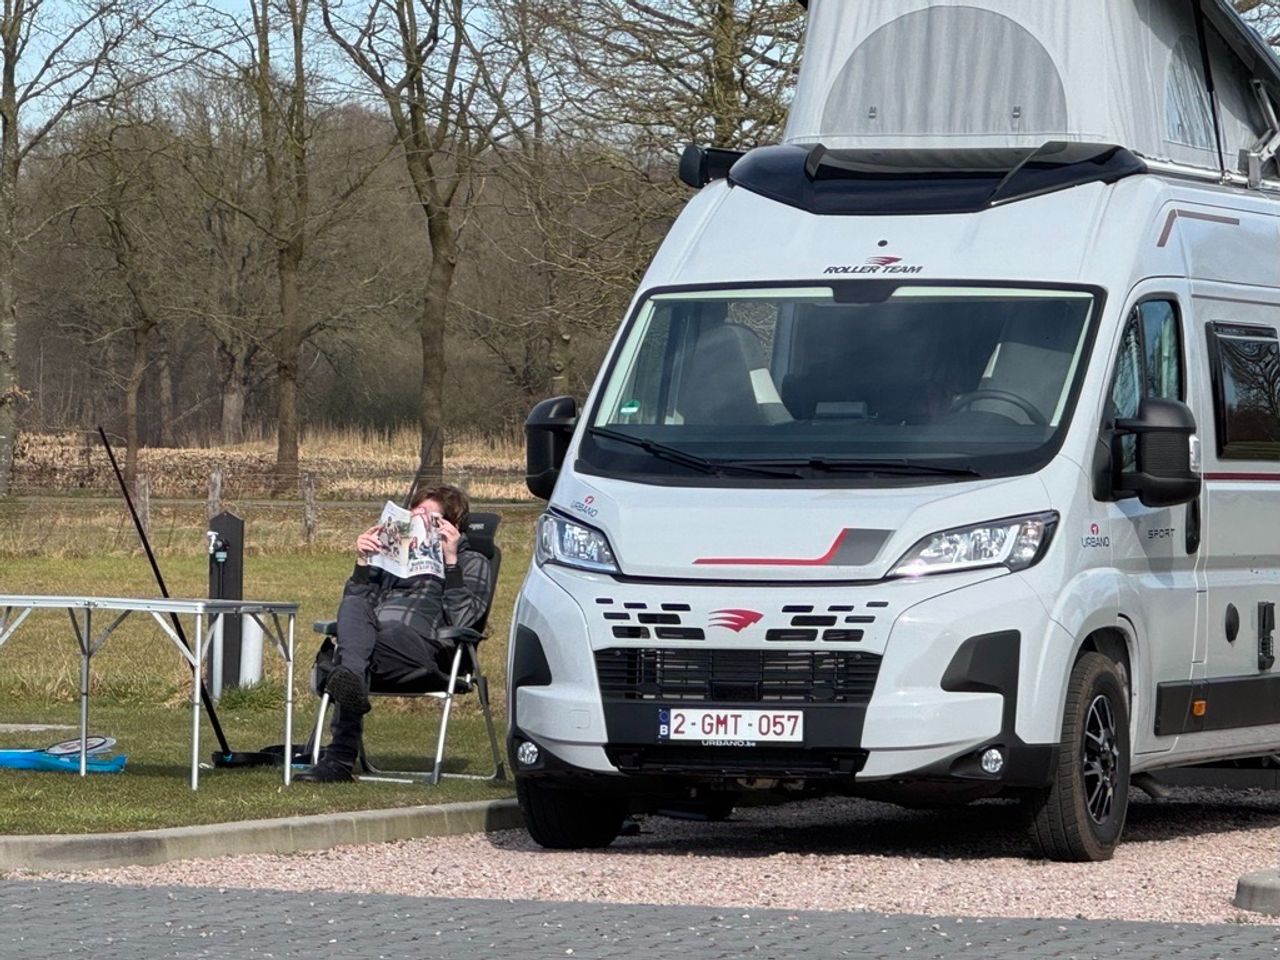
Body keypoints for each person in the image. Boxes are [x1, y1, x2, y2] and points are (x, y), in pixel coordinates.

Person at [297, 484, 491, 783]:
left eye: (429, 518)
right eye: (414, 516)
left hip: (426, 654)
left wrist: (451, 562)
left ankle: (339, 759)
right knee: (353, 610)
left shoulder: (471, 562)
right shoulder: (390, 560)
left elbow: (465, 619)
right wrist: (364, 561)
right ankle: (340, 747)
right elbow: (356, 608)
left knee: (358, 653)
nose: (418, 523)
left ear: (452, 525)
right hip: (374, 649)